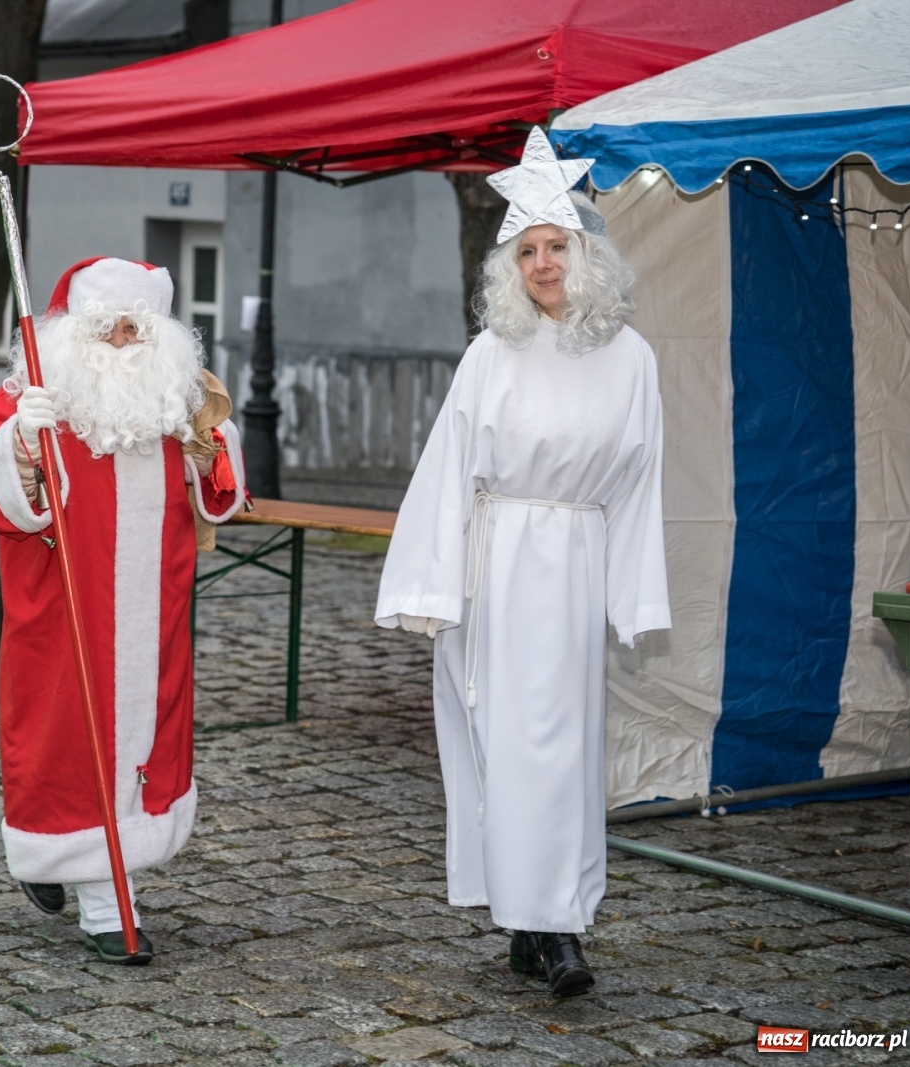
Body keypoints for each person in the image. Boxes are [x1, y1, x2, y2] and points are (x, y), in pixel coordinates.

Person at [374, 129, 670, 997]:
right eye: (530, 250)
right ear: (513, 265)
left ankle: (549, 917)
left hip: (573, 566)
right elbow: (445, 476)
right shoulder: (489, 356)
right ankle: (547, 927)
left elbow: (641, 483)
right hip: (497, 567)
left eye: (558, 246)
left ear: (585, 253)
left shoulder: (632, 359)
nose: (545, 264)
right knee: (510, 743)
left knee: (564, 747)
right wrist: (431, 589)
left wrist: (631, 593)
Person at [0, 257, 246, 965]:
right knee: (65, 743)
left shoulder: (180, 400)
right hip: (64, 611)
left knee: (142, 744)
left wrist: (213, 447)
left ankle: (63, 861)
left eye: (134, 327)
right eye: (105, 327)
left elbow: (221, 495)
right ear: (74, 332)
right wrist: (21, 443)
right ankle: (101, 897)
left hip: (153, 616)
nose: (121, 341)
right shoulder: (27, 398)